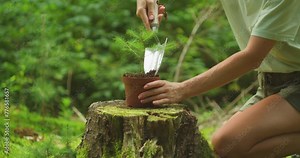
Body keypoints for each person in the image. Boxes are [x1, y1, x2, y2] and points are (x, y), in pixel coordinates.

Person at [136, 0, 300, 157]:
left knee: (227, 142)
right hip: (270, 81)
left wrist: (182, 89)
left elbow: (253, 57)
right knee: (229, 150)